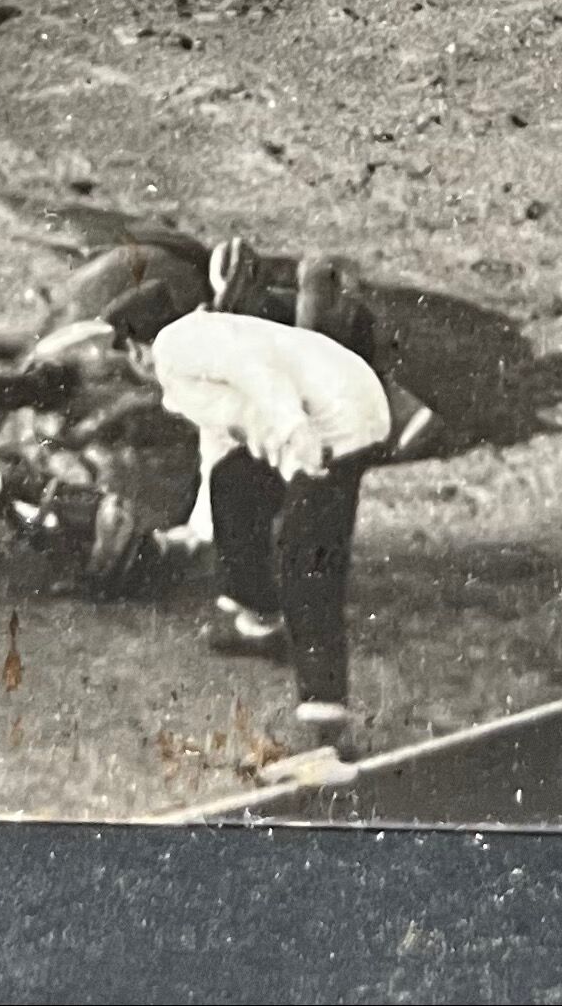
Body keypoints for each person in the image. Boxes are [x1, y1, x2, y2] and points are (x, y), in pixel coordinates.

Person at [150, 253, 396, 757]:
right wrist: (197, 530)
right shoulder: (187, 365)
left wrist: (298, 436)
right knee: (232, 481)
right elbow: (219, 446)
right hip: (317, 410)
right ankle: (261, 622)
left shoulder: (175, 344)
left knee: (306, 558)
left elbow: (259, 374)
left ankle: (326, 723)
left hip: (341, 417)